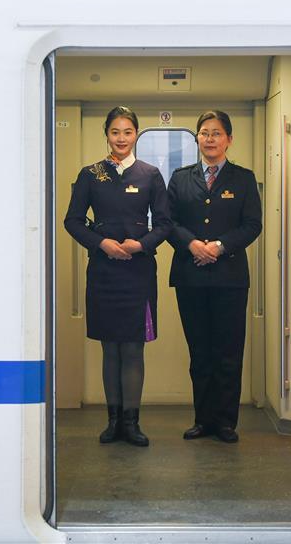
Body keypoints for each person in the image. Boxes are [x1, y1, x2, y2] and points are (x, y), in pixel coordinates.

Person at [64, 106, 172, 447]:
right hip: (104, 271)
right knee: (110, 348)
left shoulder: (150, 174)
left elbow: (165, 224)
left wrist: (140, 244)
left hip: (138, 273)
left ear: (136, 134)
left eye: (127, 132)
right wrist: (101, 243)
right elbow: (72, 221)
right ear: (107, 134)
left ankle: (132, 423)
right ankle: (113, 423)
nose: (121, 138)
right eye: (115, 132)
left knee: (134, 349)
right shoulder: (91, 174)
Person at [166, 110, 262, 443]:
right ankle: (203, 420)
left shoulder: (243, 178)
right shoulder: (180, 178)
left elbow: (252, 225)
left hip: (229, 277)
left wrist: (219, 246)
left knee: (228, 352)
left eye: (217, 133)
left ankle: (225, 422)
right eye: (205, 133)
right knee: (200, 353)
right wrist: (192, 244)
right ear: (197, 139)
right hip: (190, 276)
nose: (210, 139)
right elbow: (168, 222)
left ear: (229, 140)